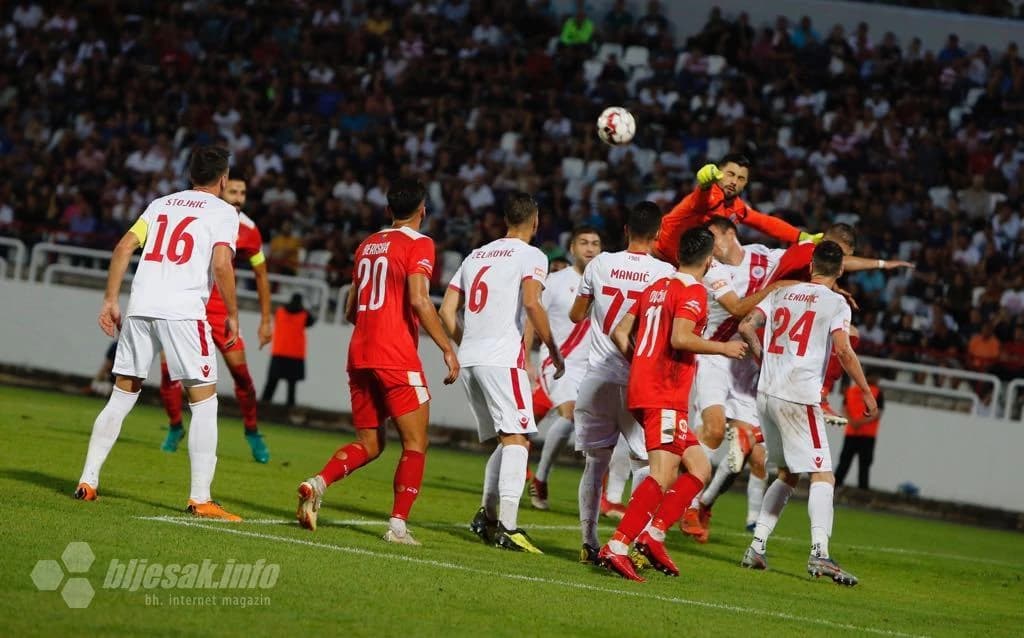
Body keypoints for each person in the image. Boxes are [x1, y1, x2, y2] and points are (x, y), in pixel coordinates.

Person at [74, 145, 243, 521]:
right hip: (183, 311)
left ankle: (88, 480)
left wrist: (109, 301)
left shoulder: (161, 204)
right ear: (223, 179)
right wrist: (232, 312)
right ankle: (201, 497)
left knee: (122, 395)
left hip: (141, 306)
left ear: (189, 174)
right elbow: (221, 264)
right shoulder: (224, 212)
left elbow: (123, 248)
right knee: (204, 402)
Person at [295, 178, 459, 545]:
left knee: (369, 443)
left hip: (360, 352)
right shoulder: (421, 244)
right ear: (422, 210)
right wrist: (447, 347)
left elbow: (352, 307)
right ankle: (398, 526)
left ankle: (317, 483)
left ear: (388, 211)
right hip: (395, 356)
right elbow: (419, 299)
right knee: (415, 444)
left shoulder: (367, 245)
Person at [597, 227, 747, 582]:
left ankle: (654, 535)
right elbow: (681, 337)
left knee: (699, 469)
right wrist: (724, 348)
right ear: (709, 260)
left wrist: (643, 362)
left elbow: (620, 332)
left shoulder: (657, 286)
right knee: (663, 475)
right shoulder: (692, 290)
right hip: (663, 392)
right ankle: (617, 546)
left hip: (650, 387)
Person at [738, 241, 877, 587]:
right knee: (823, 475)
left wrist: (762, 358)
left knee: (787, 474)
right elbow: (843, 349)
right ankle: (820, 553)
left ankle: (757, 546)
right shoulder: (837, 303)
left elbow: (745, 326)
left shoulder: (782, 293)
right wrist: (863, 389)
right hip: (798, 397)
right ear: (841, 270)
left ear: (811, 263)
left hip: (767, 394)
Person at [440, 192, 563, 553]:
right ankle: (508, 527)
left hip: (472, 359)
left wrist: (468, 344)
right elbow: (531, 302)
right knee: (517, 440)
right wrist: (552, 348)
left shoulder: (476, 255)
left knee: (507, 440)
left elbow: (448, 312)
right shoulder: (532, 255)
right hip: (501, 358)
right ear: (535, 221)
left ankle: (488, 517)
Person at [570, 201, 675, 563]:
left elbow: (576, 314)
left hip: (597, 376)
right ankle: (636, 540)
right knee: (647, 464)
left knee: (594, 462)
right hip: (639, 381)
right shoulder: (665, 273)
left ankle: (588, 540)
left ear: (626, 229)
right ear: (659, 233)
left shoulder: (600, 263)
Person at [681, 217, 796, 542]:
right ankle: (688, 504)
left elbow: (808, 256)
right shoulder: (710, 269)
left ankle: (704, 503)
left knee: (752, 454)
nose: (710, 243)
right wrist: (775, 288)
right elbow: (736, 309)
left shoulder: (764, 256)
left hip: (746, 363)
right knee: (715, 430)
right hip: (714, 355)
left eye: (714, 236)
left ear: (731, 233)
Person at [159, 171, 274, 463]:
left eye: (243, 193)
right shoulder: (199, 215)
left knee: (240, 375)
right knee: (169, 372)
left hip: (222, 313)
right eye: (233, 191)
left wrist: (265, 319)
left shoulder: (249, 229)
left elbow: (261, 274)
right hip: (187, 305)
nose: (238, 198)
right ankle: (175, 427)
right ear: (222, 189)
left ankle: (252, 431)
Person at [524, 226, 602, 510]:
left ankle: (605, 496)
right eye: (584, 242)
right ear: (572, 249)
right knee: (569, 415)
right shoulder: (556, 281)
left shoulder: (606, 283)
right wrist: (527, 357)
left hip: (593, 367)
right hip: (559, 361)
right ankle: (541, 479)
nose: (590, 248)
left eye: (595, 243)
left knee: (527, 423)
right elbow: (532, 317)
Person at [653, 154, 819, 267]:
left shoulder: (737, 206)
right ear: (719, 173)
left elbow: (764, 222)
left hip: (683, 267)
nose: (734, 181)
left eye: (740, 178)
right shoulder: (708, 195)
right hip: (656, 258)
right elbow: (701, 199)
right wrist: (704, 185)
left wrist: (801, 236)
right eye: (730, 174)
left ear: (745, 184)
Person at [262, 293, 316, 407]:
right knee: (292, 385)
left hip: (279, 352)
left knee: (271, 382)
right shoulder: (304, 314)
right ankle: (290, 407)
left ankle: (263, 406)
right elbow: (312, 321)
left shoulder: (279, 311)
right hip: (295, 354)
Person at [835, 372, 885, 490]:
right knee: (864, 464)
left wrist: (852, 422)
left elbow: (844, 409)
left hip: (851, 432)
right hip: (868, 434)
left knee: (844, 461)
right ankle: (862, 490)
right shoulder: (877, 392)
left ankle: (834, 487)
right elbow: (878, 413)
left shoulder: (851, 390)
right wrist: (861, 422)